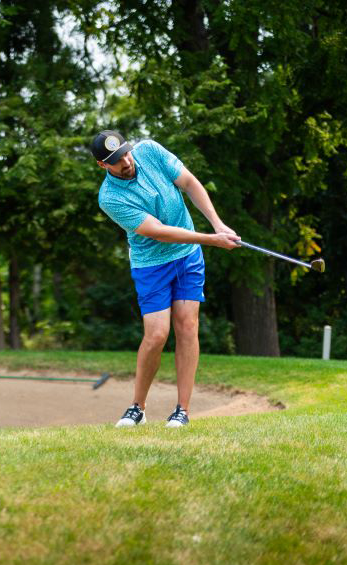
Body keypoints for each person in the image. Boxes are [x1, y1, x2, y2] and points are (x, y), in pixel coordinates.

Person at [91, 130, 240, 428]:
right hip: (151, 266)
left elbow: (189, 182)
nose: (126, 162)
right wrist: (211, 238)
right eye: (117, 161)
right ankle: (138, 407)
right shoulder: (110, 198)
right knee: (157, 334)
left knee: (187, 327)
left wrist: (218, 223)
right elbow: (158, 230)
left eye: (125, 153)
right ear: (103, 166)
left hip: (187, 259)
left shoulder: (150, 151)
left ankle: (181, 410)